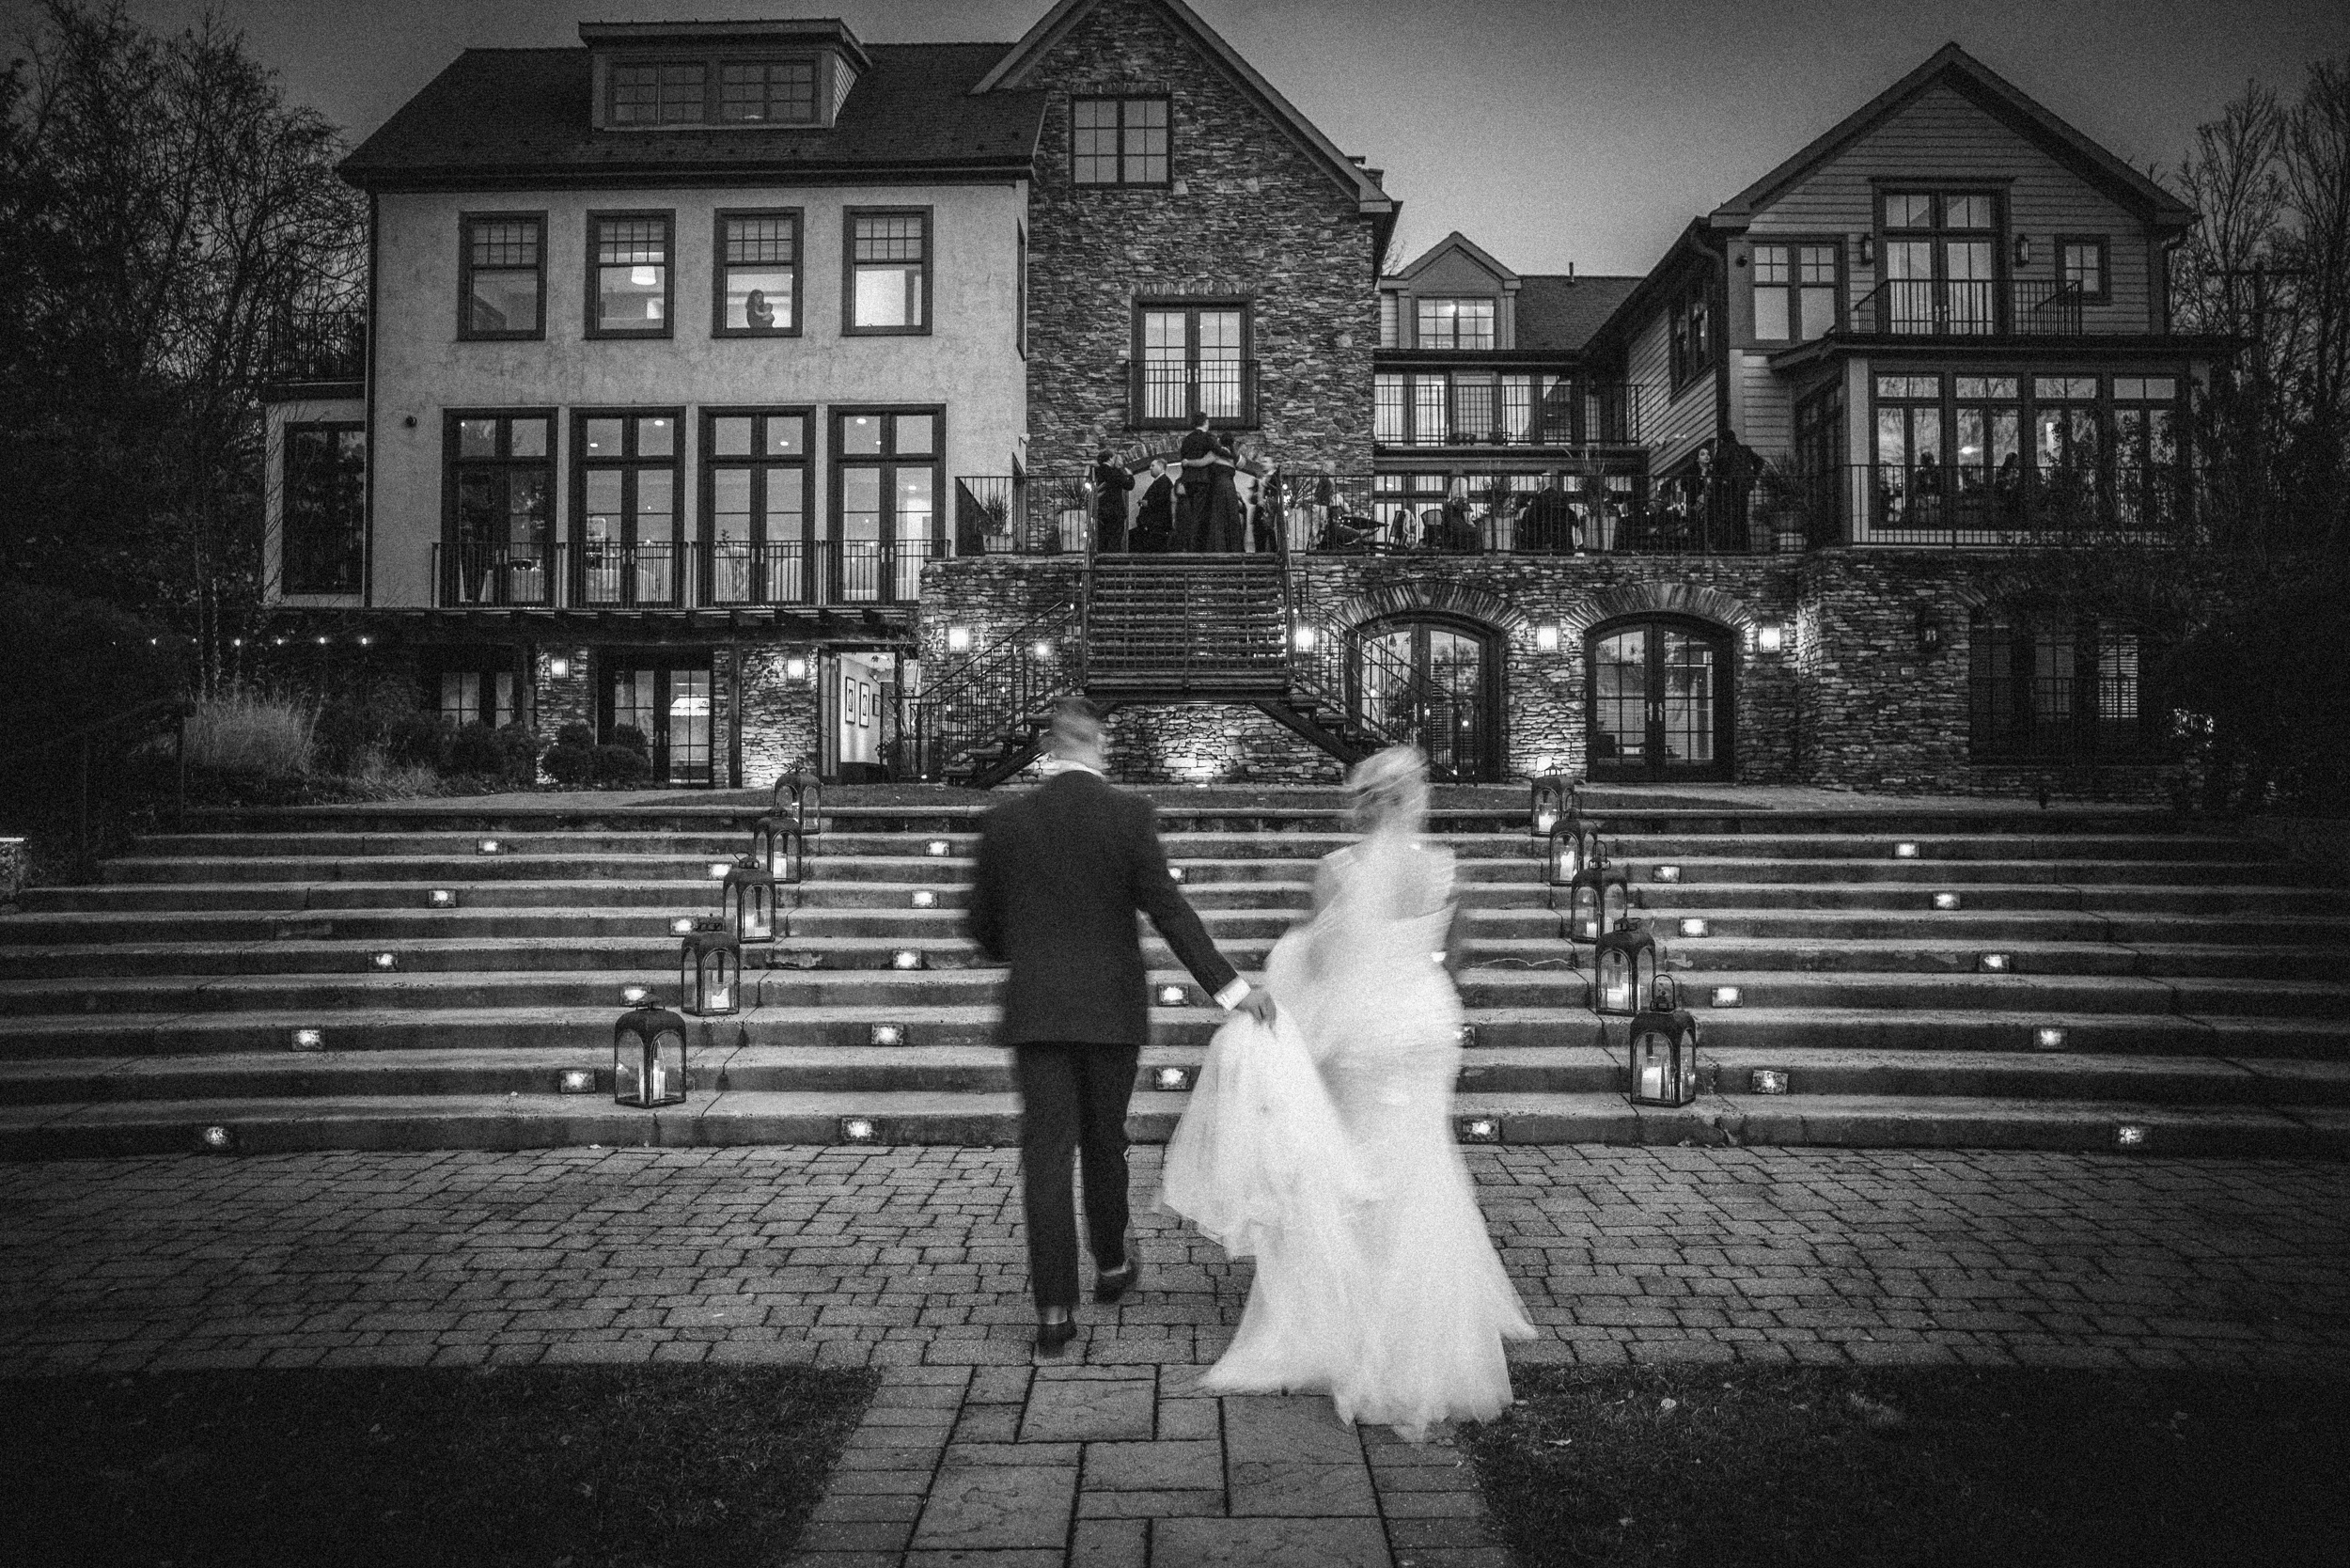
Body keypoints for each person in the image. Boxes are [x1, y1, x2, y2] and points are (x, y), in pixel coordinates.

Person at [1162, 745, 1533, 1440]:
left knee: (1354, 1164)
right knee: (1423, 1162)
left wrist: (1289, 975)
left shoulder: (1336, 873)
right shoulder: (1444, 868)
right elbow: (1455, 957)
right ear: (1414, 798)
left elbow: (1328, 966)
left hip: (1367, 1035)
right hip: (1426, 1026)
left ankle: (1351, 1313)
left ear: (1365, 802)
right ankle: (1430, 1322)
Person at [967, 699, 1276, 1356]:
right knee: (1105, 1139)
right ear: (1097, 746)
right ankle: (1111, 1263)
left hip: (1038, 1008)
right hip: (1110, 1009)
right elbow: (1169, 910)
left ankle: (1053, 1308)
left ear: (1047, 747)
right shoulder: (1128, 815)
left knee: (1046, 1155)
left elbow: (981, 927)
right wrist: (1232, 989)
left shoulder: (1007, 821)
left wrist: (1024, 950)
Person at [1174, 411, 1218, 551]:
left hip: (1188, 480)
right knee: (1200, 514)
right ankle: (1197, 546)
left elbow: (1183, 457)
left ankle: (1189, 544)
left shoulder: (1187, 439)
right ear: (1205, 422)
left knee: (1192, 511)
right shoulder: (1207, 437)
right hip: (1202, 479)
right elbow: (1217, 450)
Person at [1092, 450, 1136, 554]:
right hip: (1115, 510)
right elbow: (1128, 485)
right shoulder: (1113, 472)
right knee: (1115, 538)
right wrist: (1130, 475)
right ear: (1111, 458)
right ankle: (1111, 560)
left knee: (1102, 537)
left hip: (1101, 509)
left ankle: (1101, 557)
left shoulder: (1096, 471)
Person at [1132, 458, 1176, 553]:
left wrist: (1147, 503)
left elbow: (1162, 501)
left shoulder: (1164, 482)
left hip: (1157, 526)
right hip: (1155, 526)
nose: (1150, 468)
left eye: (1153, 466)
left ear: (1160, 467)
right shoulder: (1161, 482)